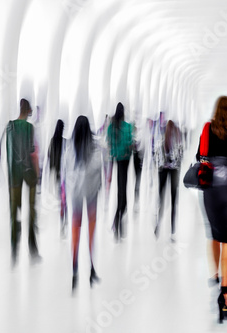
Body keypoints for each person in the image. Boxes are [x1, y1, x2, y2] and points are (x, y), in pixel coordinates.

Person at [196, 96, 227, 323]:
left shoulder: (208, 128)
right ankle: (224, 296)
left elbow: (199, 156)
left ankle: (215, 274)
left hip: (210, 186)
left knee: (213, 232)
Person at [0, 98, 41, 266]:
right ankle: (32, 250)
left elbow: (3, 151)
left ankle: (14, 252)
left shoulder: (9, 126)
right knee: (31, 211)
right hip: (29, 172)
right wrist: (37, 173)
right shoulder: (30, 127)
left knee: (13, 211)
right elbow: (32, 152)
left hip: (13, 173)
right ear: (28, 110)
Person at [65, 116, 102, 291]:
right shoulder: (94, 147)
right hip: (91, 194)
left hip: (76, 196)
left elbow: (66, 171)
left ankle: (74, 269)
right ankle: (92, 269)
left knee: (75, 233)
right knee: (91, 234)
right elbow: (98, 167)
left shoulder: (70, 147)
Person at [107, 103, 133, 240]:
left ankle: (117, 222)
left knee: (120, 190)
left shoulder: (111, 127)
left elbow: (109, 144)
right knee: (123, 191)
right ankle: (117, 221)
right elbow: (130, 143)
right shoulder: (128, 127)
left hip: (117, 159)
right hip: (126, 160)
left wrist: (114, 154)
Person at [154, 120, 183, 240]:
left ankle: (158, 223)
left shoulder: (161, 138)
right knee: (173, 200)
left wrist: (162, 163)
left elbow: (156, 154)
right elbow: (181, 154)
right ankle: (172, 231)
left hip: (162, 171)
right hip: (174, 171)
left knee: (161, 198)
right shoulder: (178, 137)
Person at [48, 119, 67, 238]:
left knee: (61, 199)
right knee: (65, 198)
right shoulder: (65, 141)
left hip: (58, 174)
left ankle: (62, 220)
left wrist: (52, 171)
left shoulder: (52, 140)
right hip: (65, 174)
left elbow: (50, 157)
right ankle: (65, 218)